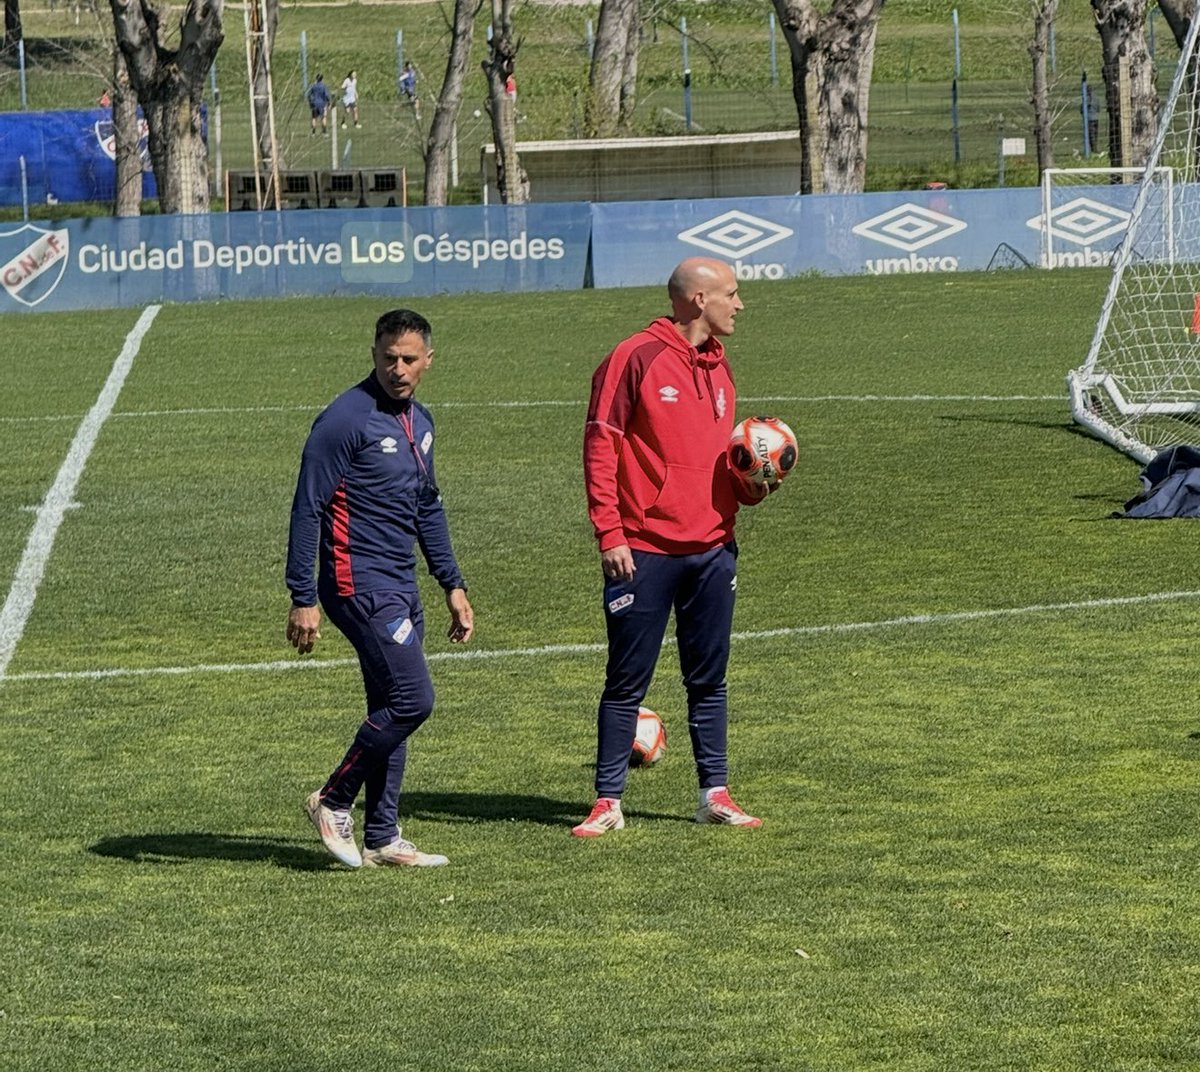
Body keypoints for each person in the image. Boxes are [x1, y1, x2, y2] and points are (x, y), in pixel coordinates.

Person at [573, 257, 773, 838]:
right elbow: (600, 445)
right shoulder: (632, 358)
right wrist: (609, 531)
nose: (739, 305)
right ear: (698, 300)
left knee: (708, 678)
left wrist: (753, 488)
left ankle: (714, 793)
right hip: (642, 549)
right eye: (731, 295)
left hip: (714, 548)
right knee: (626, 679)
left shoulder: (721, 365)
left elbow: (715, 465)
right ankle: (608, 801)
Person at [286, 308, 475, 868]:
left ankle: (383, 836)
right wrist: (303, 596)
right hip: (356, 583)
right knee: (414, 700)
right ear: (373, 354)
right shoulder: (345, 420)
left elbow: (427, 507)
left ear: (428, 361)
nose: (398, 368)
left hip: (401, 582)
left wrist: (452, 583)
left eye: (409, 359)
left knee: (388, 706)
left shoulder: (421, 423)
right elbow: (307, 509)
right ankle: (333, 799)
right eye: (389, 357)